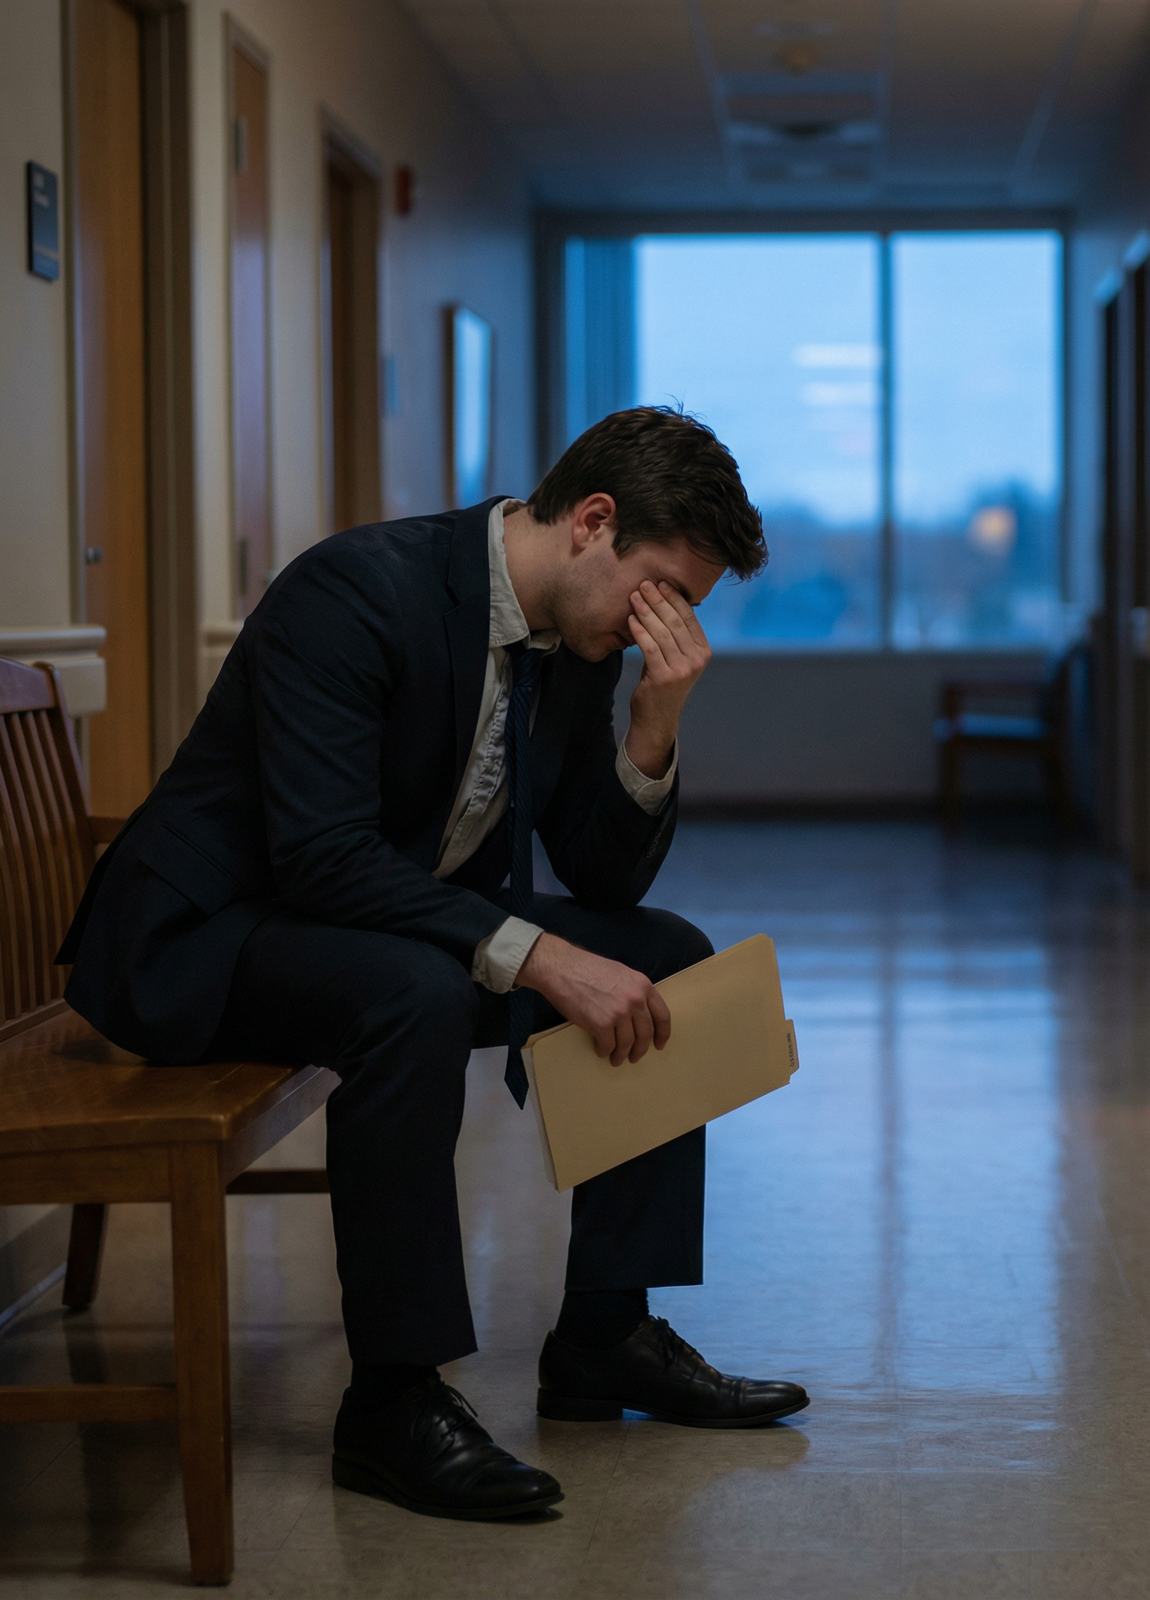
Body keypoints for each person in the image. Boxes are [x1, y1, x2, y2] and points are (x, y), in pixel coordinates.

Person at [57, 405, 808, 1522]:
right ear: (592, 522)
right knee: (407, 992)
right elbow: (319, 856)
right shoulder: (357, 589)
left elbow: (605, 882)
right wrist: (539, 958)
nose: (666, 625)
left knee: (667, 959)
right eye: (663, 592)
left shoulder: (578, 640)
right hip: (204, 940)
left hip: (360, 924)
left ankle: (605, 1333)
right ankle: (392, 1398)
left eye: (684, 610)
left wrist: (654, 721)